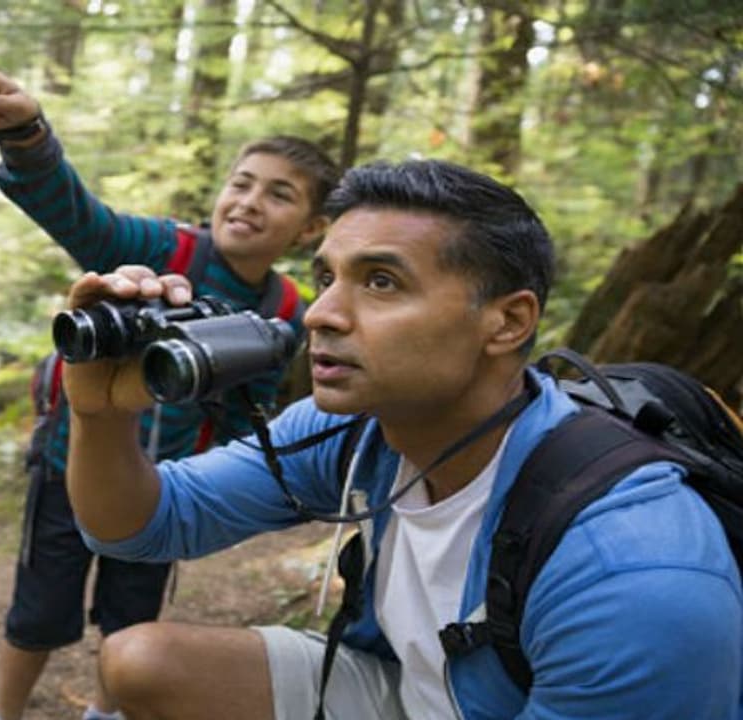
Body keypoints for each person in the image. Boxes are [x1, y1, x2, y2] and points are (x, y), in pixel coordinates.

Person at [58, 159, 743, 719]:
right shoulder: (358, 430)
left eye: (381, 282)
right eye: (327, 277)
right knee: (138, 662)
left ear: (507, 322)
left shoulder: (632, 580)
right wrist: (98, 413)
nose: (322, 314)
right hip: (416, 696)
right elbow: (142, 527)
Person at [0, 41, 340, 720]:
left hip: (167, 489)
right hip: (71, 467)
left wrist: (227, 485)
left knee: (131, 621)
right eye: (241, 182)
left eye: (279, 194)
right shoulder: (165, 250)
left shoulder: (289, 313)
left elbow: (251, 413)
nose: (248, 202)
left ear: (310, 228)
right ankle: (5, 713)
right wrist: (24, 134)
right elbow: (75, 214)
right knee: (38, 611)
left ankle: (107, 713)